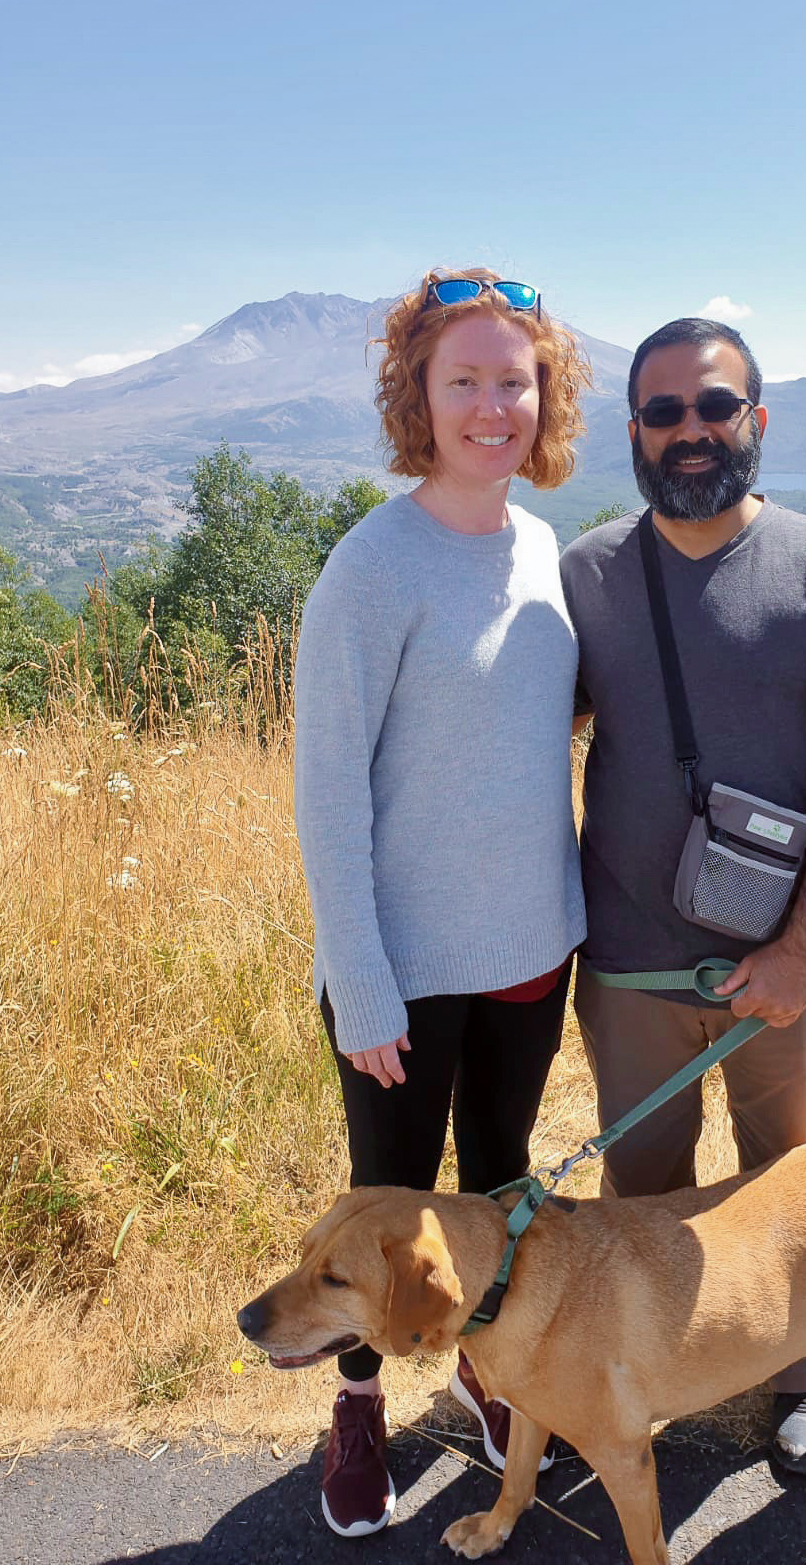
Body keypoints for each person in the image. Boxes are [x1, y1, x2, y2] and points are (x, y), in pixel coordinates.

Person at [559, 316, 806, 1476]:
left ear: (756, 418)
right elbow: (528, 749)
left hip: (786, 967)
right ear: (634, 433)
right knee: (640, 1194)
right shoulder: (588, 576)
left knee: (791, 1185)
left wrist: (805, 946)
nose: (691, 430)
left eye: (715, 406)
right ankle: (649, 1375)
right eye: (664, 412)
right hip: (627, 963)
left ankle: (799, 1380)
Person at [292, 269, 589, 1536]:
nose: (491, 404)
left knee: (500, 1192)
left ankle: (483, 1366)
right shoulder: (371, 568)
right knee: (386, 1211)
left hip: (533, 950)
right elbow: (326, 793)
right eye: (461, 379)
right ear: (418, 394)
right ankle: (358, 1403)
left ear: (544, 397)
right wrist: (357, 976)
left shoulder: (543, 547)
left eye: (512, 380)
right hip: (400, 975)